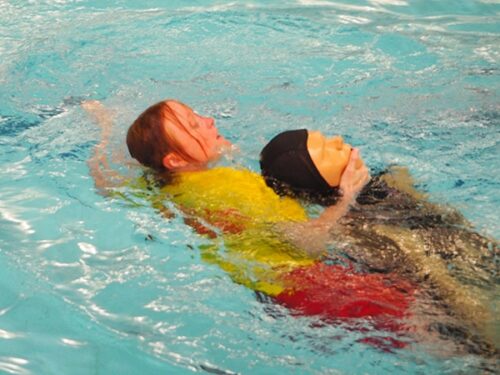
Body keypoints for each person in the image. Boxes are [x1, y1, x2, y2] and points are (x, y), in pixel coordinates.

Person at [84, 99, 416, 351]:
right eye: (193, 125)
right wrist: (347, 195)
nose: (208, 120)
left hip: (281, 286)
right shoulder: (220, 193)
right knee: (436, 327)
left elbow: (104, 182)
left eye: (197, 115)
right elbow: (304, 243)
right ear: (176, 161)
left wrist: (104, 127)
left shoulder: (170, 188)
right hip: (307, 284)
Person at [260, 129, 499, 356]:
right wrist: (344, 200)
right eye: (324, 150)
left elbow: (452, 223)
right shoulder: (347, 229)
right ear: (311, 178)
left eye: (325, 138)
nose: (338, 140)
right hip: (440, 300)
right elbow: (307, 243)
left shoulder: (389, 180)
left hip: (464, 257)